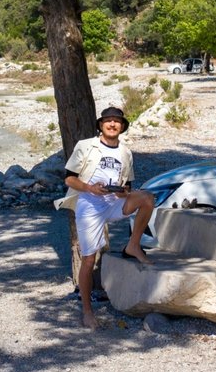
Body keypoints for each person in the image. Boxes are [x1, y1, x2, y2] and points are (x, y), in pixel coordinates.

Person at [55, 105, 156, 329]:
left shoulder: (125, 152)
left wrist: (124, 192)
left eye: (117, 121)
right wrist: (89, 188)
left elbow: (128, 185)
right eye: (108, 121)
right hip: (89, 204)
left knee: (147, 198)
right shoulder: (86, 146)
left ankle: (133, 245)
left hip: (113, 201)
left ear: (122, 127)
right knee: (89, 259)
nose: (112, 124)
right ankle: (87, 311)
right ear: (100, 125)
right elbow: (69, 179)